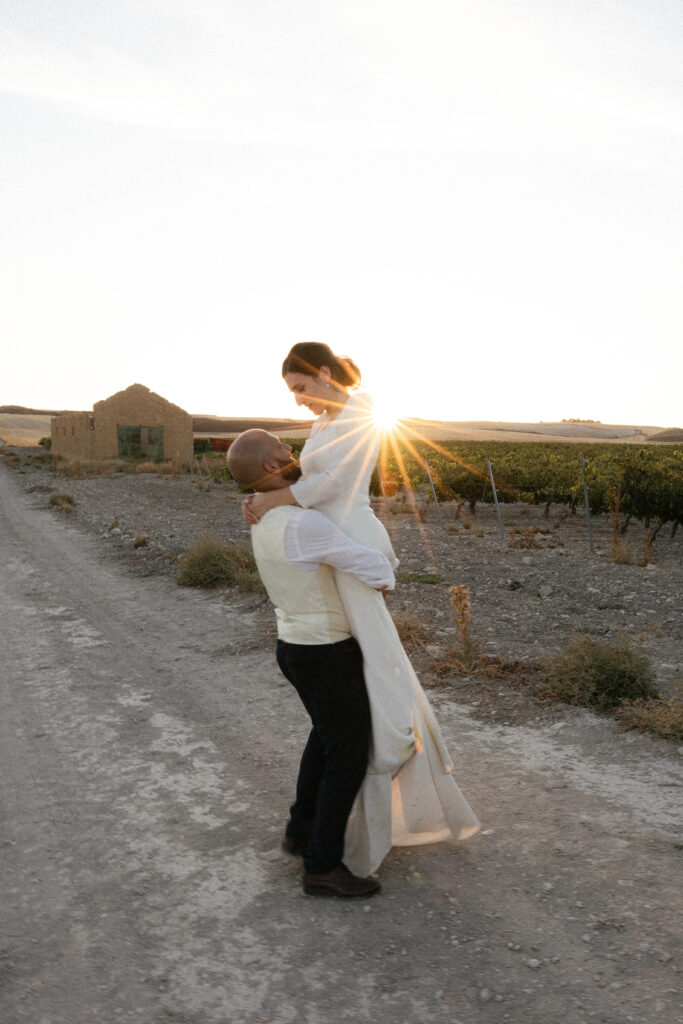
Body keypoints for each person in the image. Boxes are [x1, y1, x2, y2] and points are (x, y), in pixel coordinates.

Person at [243, 342, 480, 876]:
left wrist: (271, 500)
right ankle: (320, 829)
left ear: (323, 373)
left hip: (347, 540)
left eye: (301, 389)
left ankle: (346, 817)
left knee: (370, 671)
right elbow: (304, 473)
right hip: (335, 541)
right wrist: (263, 494)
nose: (300, 402)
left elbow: (330, 484)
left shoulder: (363, 416)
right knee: (347, 695)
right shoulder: (328, 420)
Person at [227, 428, 394, 898]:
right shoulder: (305, 524)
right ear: (268, 467)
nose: (290, 451)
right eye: (282, 448)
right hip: (326, 652)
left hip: (292, 646)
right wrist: (379, 573)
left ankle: (301, 831)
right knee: (348, 756)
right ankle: (322, 864)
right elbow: (379, 569)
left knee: (324, 739)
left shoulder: (263, 518)